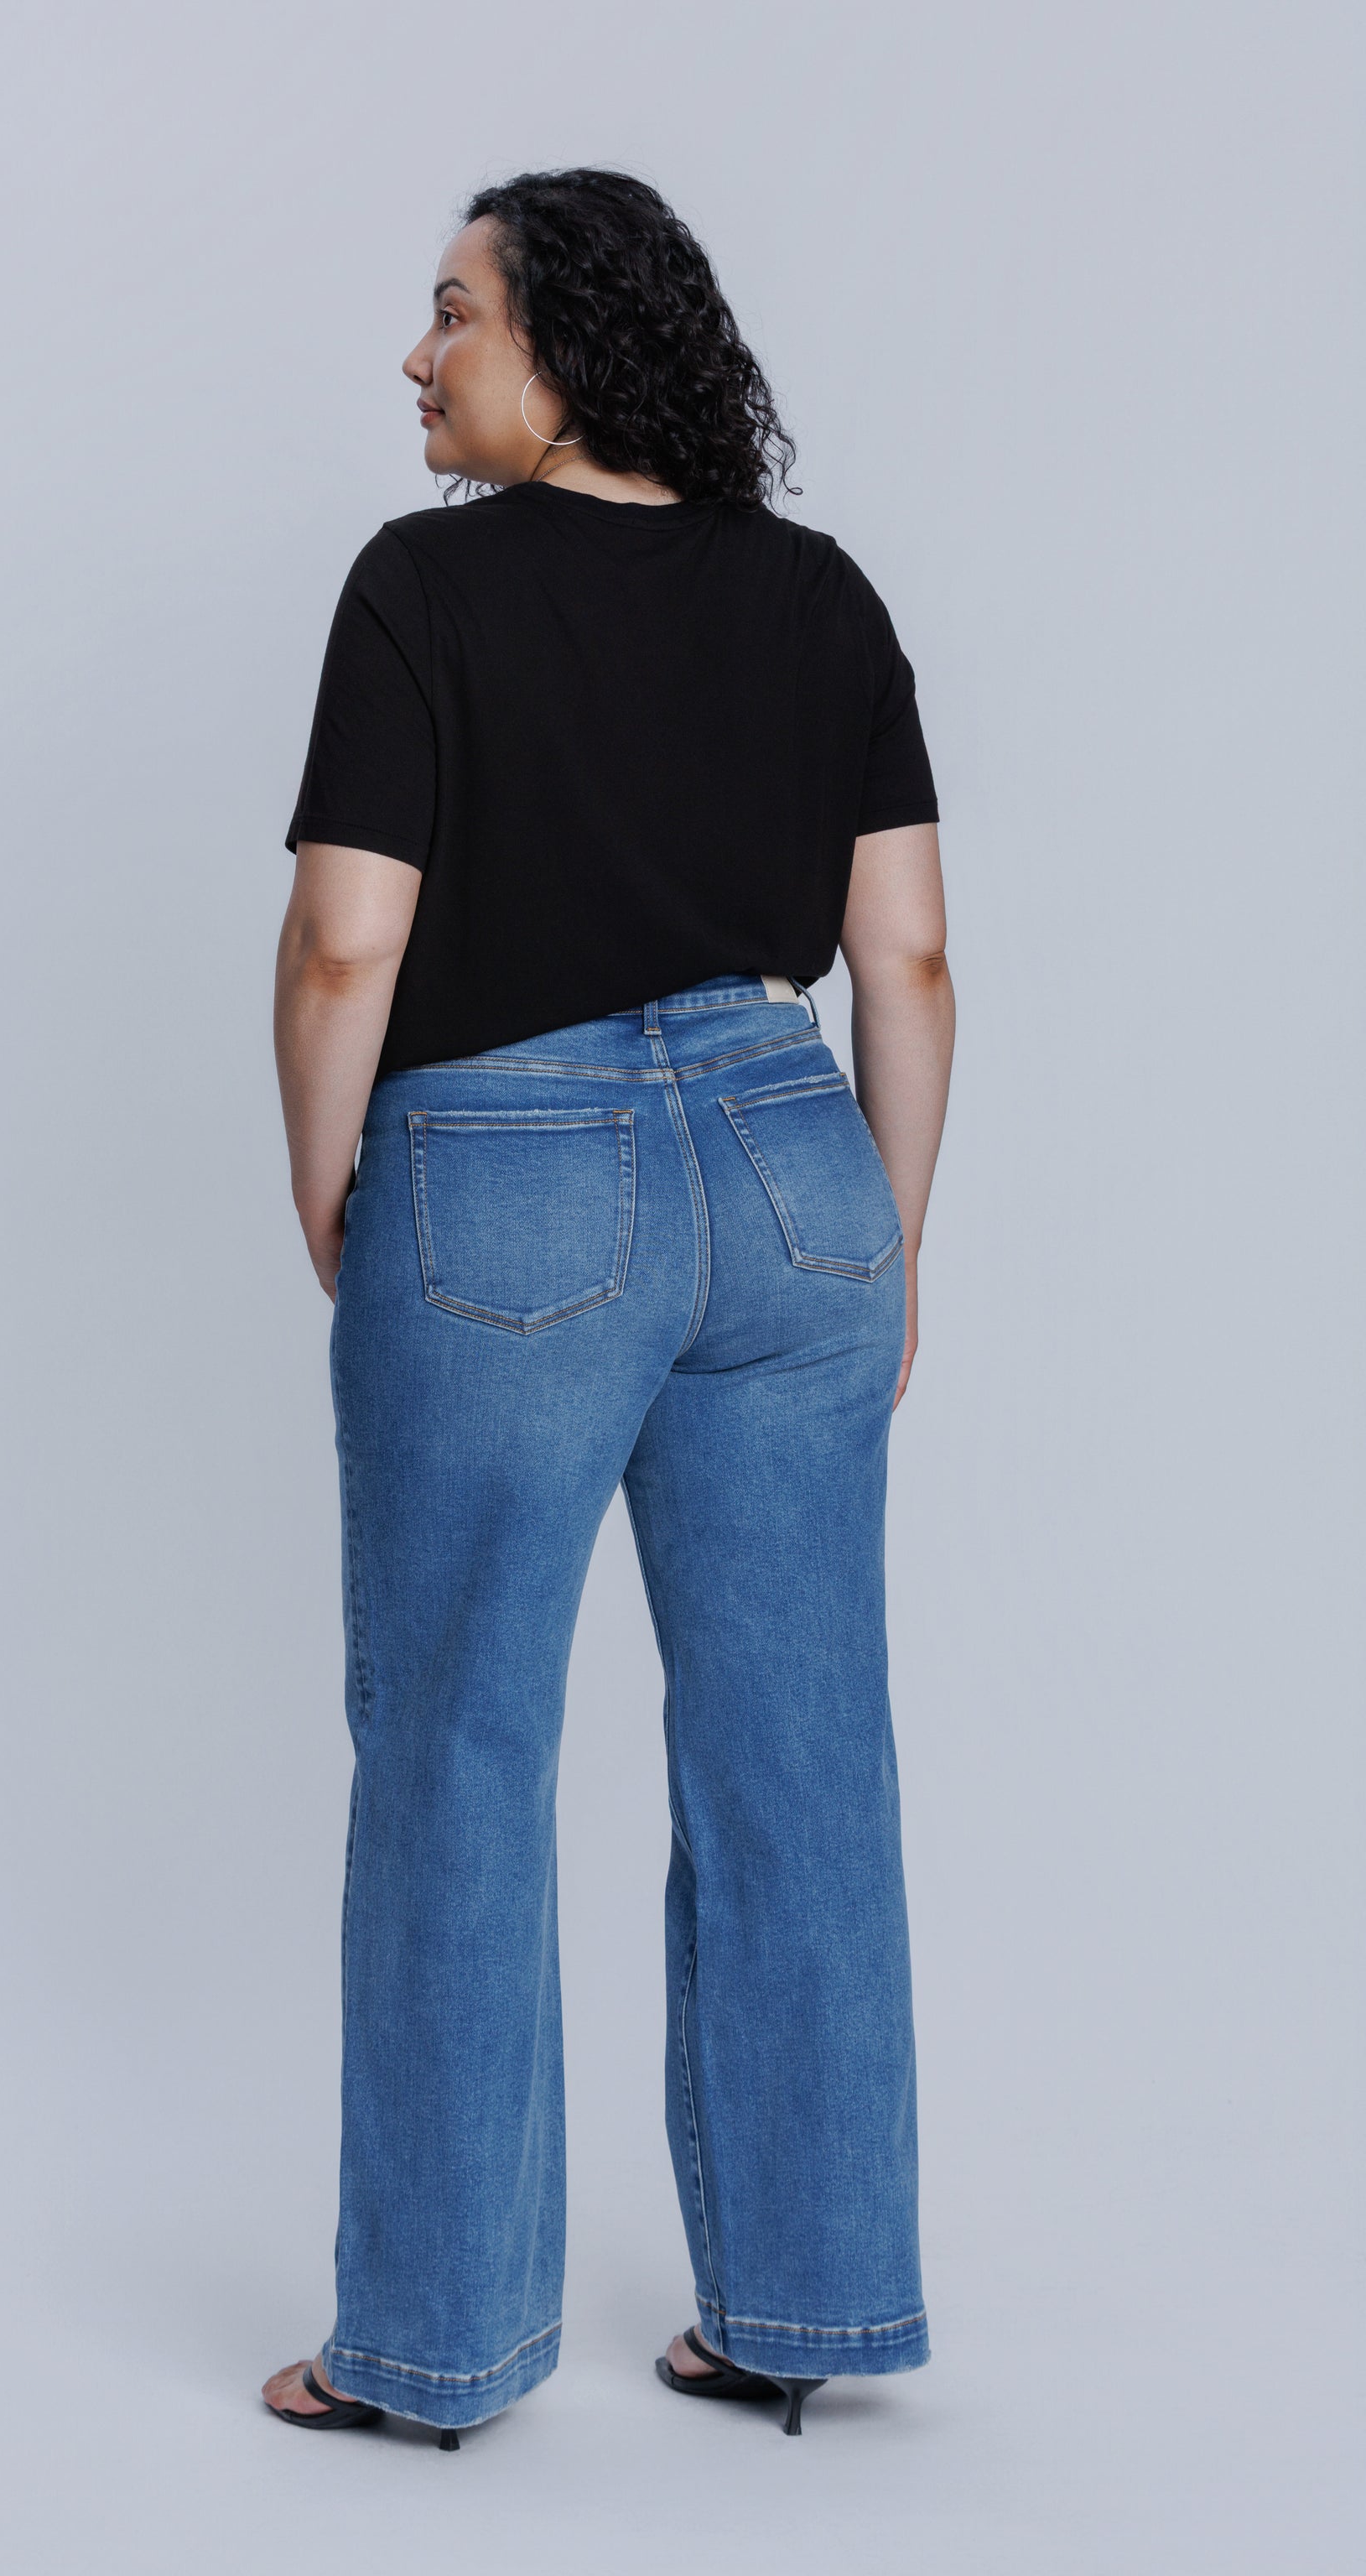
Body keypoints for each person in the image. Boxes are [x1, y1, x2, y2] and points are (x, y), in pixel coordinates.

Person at [262, 167, 954, 2449]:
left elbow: (351, 937)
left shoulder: (425, 589)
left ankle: (435, 2351)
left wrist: (327, 1178)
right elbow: (911, 960)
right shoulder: (825, 598)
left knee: (458, 1758)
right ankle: (809, 2311)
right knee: (802, 1762)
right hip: (795, 1161)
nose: (418, 353)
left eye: (451, 312)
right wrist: (894, 1245)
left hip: (506, 1181)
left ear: (565, 347)